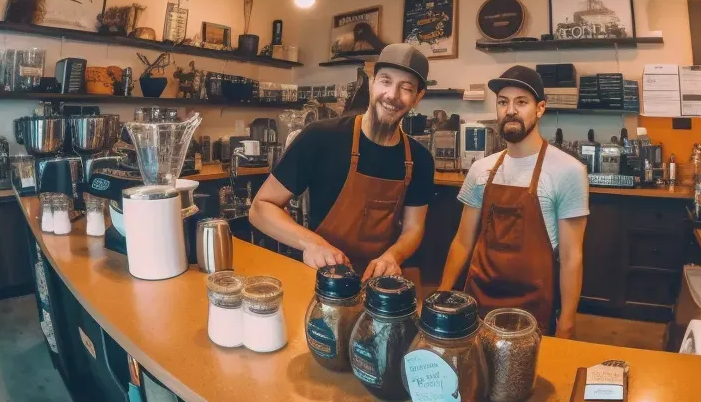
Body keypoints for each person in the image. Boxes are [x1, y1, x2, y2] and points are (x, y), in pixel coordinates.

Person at [249, 44, 435, 280]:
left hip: (378, 284)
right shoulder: (321, 137)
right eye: (385, 81)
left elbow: (413, 228)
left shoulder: (419, 159)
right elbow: (260, 208)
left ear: (418, 97)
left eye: (406, 88)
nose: (392, 95)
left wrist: (393, 257)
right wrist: (312, 244)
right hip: (322, 278)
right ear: (371, 83)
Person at [439, 65, 589, 338]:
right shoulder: (480, 170)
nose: (510, 110)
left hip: (532, 310)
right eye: (503, 102)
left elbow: (571, 257)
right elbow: (462, 241)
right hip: (478, 302)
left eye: (521, 102)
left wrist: (567, 321)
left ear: (540, 108)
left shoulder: (568, 171)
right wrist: (442, 293)